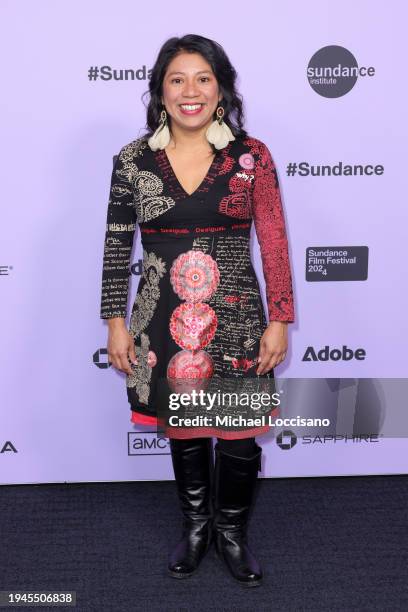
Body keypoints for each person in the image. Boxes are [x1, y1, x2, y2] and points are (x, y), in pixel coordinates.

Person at [100, 34, 295, 587]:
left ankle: (231, 533)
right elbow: (118, 245)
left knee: (236, 432)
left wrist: (279, 318)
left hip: (236, 314)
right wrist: (115, 323)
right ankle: (195, 527)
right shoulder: (133, 160)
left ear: (221, 89)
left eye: (203, 79)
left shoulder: (250, 155)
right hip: (161, 316)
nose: (191, 91)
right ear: (161, 92)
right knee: (184, 427)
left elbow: (274, 241)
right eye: (177, 80)